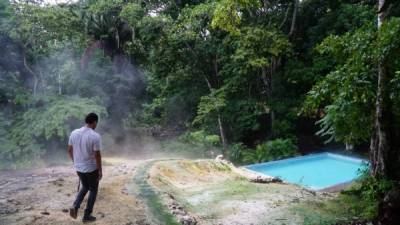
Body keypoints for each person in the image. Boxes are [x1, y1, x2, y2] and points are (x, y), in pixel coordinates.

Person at [67, 113, 102, 223]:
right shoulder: (95, 136)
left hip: (79, 167)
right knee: (93, 190)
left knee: (85, 186)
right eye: (96, 123)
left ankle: (75, 206)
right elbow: (97, 155)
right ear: (95, 122)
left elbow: (69, 150)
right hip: (91, 169)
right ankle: (87, 215)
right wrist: (100, 170)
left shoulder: (74, 133)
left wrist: (75, 162)